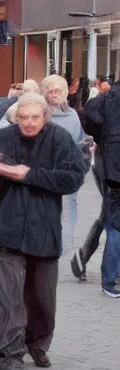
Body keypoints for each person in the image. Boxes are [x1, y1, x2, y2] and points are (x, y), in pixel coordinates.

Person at [0, 93, 86, 370]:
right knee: (11, 296)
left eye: (35, 117)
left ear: (45, 117)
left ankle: (36, 342)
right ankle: (9, 353)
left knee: (42, 299)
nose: (28, 122)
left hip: (44, 229)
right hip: (6, 227)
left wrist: (29, 175)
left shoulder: (59, 139)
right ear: (14, 117)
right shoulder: (1, 139)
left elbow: (72, 178)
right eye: (23, 117)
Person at [81, 77, 120, 296]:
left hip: (112, 168)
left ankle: (110, 281)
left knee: (114, 223)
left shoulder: (105, 99)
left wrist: (101, 136)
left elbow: (88, 115)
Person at [41, 74, 86, 256]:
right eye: (50, 91)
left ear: (65, 93)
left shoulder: (73, 114)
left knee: (69, 208)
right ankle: (50, 243)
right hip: (47, 169)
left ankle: (65, 246)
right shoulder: (42, 115)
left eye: (57, 91)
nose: (54, 95)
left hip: (68, 170)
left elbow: (79, 138)